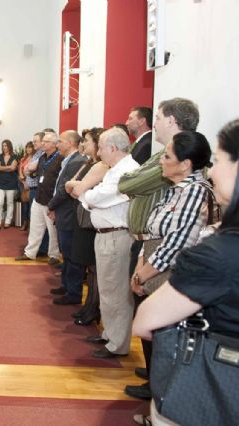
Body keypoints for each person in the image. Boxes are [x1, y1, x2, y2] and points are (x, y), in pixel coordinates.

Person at [132, 118, 239, 426]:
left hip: (215, 383)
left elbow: (146, 322)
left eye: (219, 161)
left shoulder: (220, 252)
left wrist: (143, 274)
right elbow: (153, 231)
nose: (213, 170)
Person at [125, 131, 213, 401]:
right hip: (152, 265)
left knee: (165, 335)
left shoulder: (194, 192)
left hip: (168, 272)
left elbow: (176, 243)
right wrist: (141, 265)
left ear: (185, 164)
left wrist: (143, 273)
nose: (161, 161)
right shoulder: (175, 190)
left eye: (167, 156)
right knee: (155, 334)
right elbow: (152, 231)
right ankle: (155, 376)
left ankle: (161, 389)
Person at [119, 98, 199, 389]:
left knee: (159, 322)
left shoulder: (189, 185)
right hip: (148, 249)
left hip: (161, 261)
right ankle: (153, 373)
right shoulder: (162, 158)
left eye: (160, 117)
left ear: (173, 121)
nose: (154, 124)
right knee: (148, 313)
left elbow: (128, 184)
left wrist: (143, 270)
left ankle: (158, 380)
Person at [78, 127, 139, 359]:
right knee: (107, 289)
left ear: (112, 148)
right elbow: (95, 197)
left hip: (115, 236)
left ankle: (117, 343)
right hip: (106, 235)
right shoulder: (116, 169)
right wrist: (88, 195)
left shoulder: (127, 171)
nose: (97, 151)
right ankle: (110, 333)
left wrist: (84, 193)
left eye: (101, 146)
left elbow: (98, 197)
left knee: (115, 291)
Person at [66, 128, 106, 325]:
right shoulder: (89, 162)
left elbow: (77, 188)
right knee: (89, 267)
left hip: (91, 220)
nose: (83, 144)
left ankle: (93, 307)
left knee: (94, 267)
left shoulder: (101, 166)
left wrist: (75, 186)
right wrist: (74, 186)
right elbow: (72, 186)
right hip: (83, 217)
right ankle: (89, 305)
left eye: (87, 141)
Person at [47, 130, 87, 305]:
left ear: (70, 143)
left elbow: (64, 189)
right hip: (64, 212)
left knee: (71, 254)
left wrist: (51, 205)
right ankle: (66, 285)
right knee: (66, 252)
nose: (58, 145)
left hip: (69, 213)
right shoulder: (69, 160)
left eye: (60, 141)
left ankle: (74, 292)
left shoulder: (77, 161)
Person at [15, 131, 62, 263]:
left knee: (52, 230)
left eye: (46, 141)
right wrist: (28, 172)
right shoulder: (42, 158)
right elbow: (33, 171)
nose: (43, 143)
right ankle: (30, 253)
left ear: (54, 144)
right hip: (39, 198)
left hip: (50, 200)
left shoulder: (60, 158)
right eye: (43, 141)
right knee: (35, 227)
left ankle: (54, 255)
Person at [0, 139, 19, 229]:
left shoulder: (15, 156)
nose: (4, 147)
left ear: (10, 146)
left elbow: (13, 169)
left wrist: (2, 168)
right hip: (0, 182)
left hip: (11, 182)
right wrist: (8, 167)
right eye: (3, 146)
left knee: (10, 202)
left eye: (6, 145)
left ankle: (8, 221)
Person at [18, 141, 35, 231]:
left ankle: (31, 224)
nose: (28, 149)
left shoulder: (35, 158)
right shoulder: (23, 159)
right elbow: (20, 169)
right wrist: (22, 179)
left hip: (31, 183)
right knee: (24, 204)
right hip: (22, 183)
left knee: (31, 205)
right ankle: (25, 223)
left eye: (30, 147)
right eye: (27, 147)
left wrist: (27, 183)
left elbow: (32, 172)